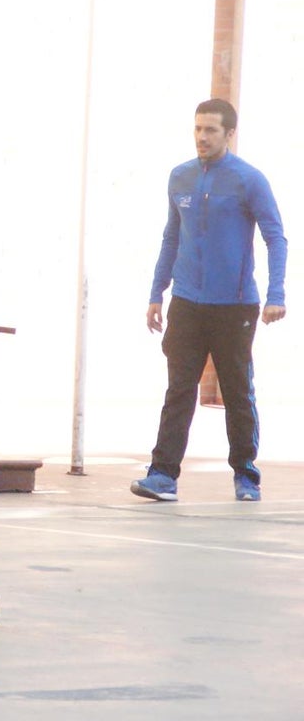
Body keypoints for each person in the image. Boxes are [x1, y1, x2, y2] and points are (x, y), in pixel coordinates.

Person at [132, 98, 287, 503]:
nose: (202, 137)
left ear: (230, 134)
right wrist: (156, 293)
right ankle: (163, 475)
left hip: (234, 305)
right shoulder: (179, 177)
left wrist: (276, 294)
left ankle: (246, 475)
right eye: (198, 129)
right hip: (186, 300)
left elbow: (275, 237)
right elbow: (171, 237)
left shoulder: (248, 180)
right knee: (178, 388)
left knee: (237, 389)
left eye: (211, 130)